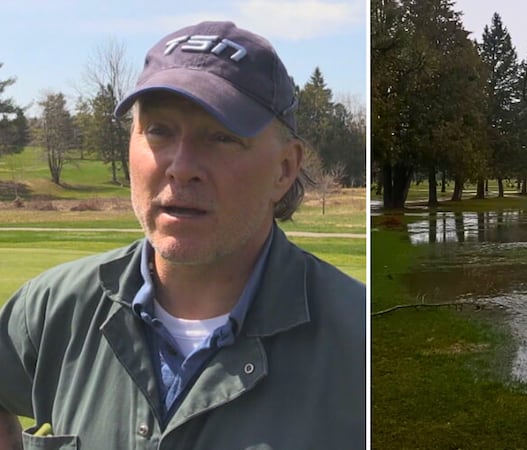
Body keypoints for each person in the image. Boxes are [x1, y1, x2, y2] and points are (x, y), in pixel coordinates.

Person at [0, 21, 365, 449]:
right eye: (159, 130)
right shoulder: (53, 308)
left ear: (284, 168)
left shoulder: (357, 344)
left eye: (221, 137)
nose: (181, 166)